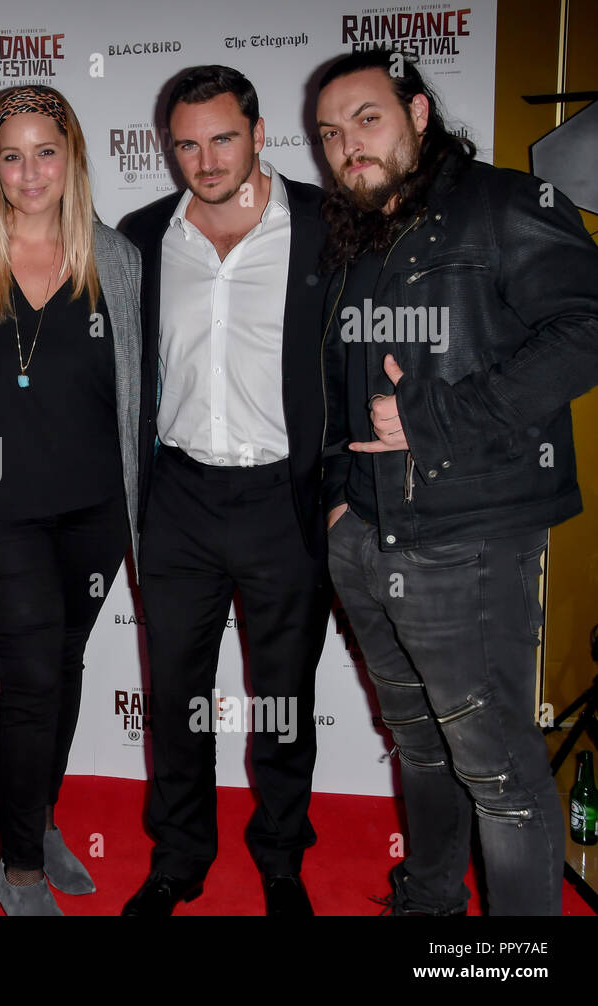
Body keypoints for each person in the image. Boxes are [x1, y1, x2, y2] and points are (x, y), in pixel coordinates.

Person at [316, 48, 598, 915]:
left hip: (467, 540)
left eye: (368, 118)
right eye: (330, 134)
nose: (348, 145)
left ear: (419, 113)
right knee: (420, 747)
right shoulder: (358, 233)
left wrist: (441, 418)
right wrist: (337, 504)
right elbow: (333, 378)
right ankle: (428, 905)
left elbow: (587, 326)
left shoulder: (508, 204)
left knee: (501, 774)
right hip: (365, 535)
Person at [0, 85, 142, 916]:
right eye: (12, 155)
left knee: (67, 666)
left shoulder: (115, 257)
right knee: (33, 676)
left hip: (95, 510)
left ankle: (37, 817)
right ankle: (18, 867)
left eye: (48, 151)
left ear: (73, 157)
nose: (30, 170)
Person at [119, 65, 331, 917]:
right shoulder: (140, 236)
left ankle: (282, 859)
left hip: (286, 498)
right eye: (187, 143)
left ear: (259, 131)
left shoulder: (325, 226)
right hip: (177, 498)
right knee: (174, 694)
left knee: (283, 695)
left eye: (223, 138)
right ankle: (179, 858)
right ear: (168, 147)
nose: (205, 160)